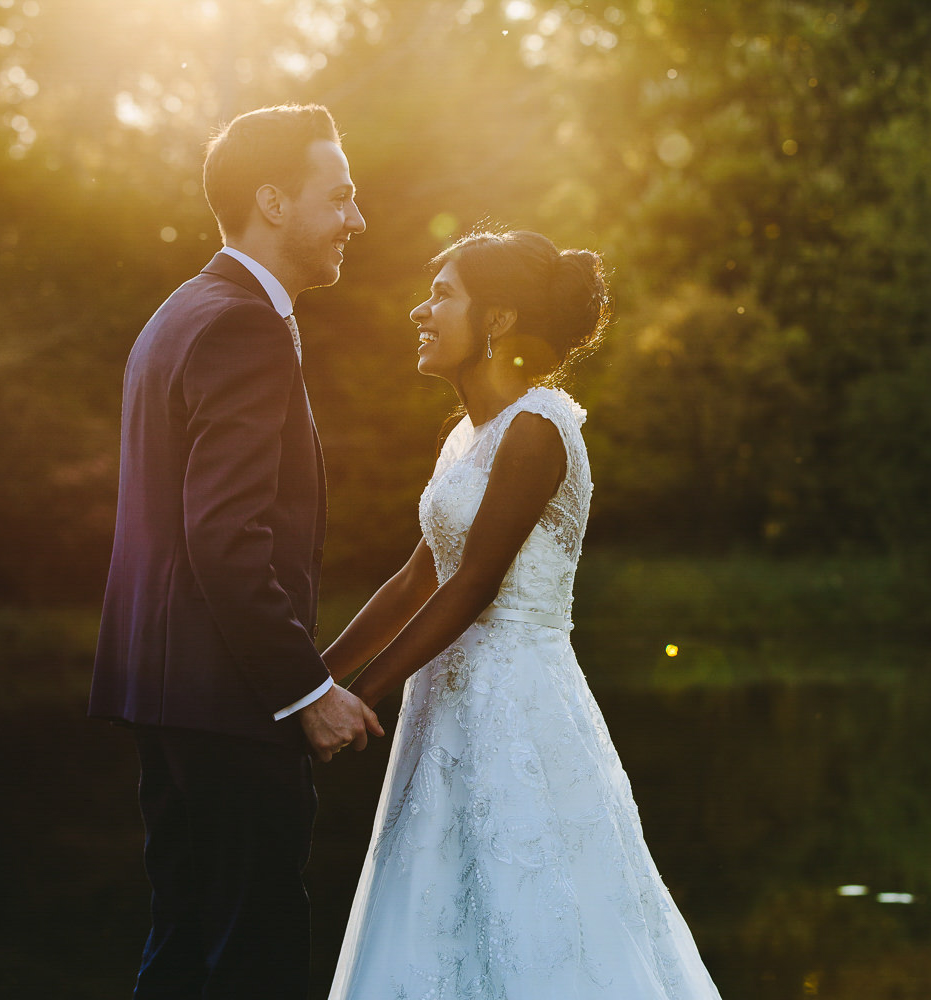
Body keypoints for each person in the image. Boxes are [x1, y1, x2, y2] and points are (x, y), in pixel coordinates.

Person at [325, 230, 724, 996]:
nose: (421, 310)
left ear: (499, 321)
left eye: (443, 294)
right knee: (440, 904)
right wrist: (315, 683)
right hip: (442, 708)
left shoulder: (539, 428)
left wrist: (362, 696)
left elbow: (473, 584)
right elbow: (416, 581)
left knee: (534, 904)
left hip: (517, 699)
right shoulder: (462, 440)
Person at [88, 103, 382, 999]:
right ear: (274, 202)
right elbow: (224, 537)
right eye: (340, 197)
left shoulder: (181, 310)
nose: (356, 220)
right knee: (251, 956)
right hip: (228, 702)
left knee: (181, 948)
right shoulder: (244, 325)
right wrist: (307, 688)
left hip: (169, 691)